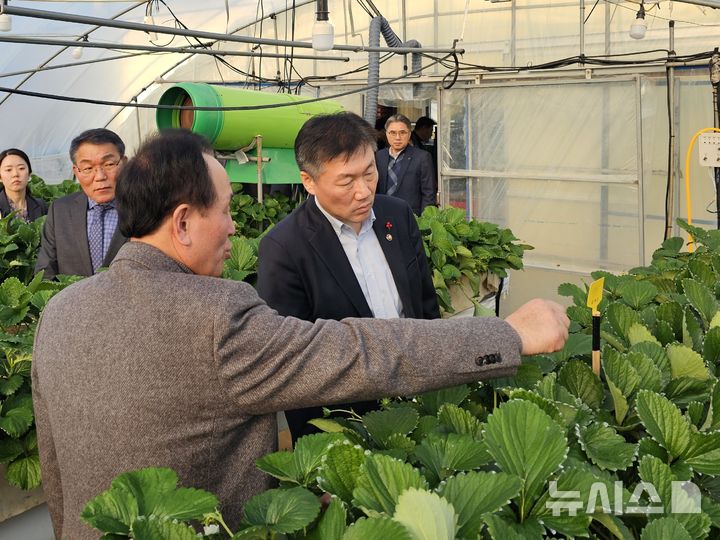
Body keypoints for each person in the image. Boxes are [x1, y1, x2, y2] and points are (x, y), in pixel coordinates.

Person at [32, 128, 569, 539]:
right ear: (182, 222)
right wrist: (506, 335)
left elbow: (53, 467)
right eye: (223, 210)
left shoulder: (60, 311)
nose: (235, 224)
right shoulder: (217, 317)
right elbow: (356, 352)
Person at [257, 112, 440, 442]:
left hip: (415, 399)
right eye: (346, 181)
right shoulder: (285, 247)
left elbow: (425, 307)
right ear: (309, 181)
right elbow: (293, 362)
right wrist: (321, 449)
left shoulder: (397, 216)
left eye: (369, 173)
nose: (363, 191)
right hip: (345, 420)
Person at [34, 128, 128, 280]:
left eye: (109, 164)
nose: (99, 176)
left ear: (124, 163)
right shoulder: (60, 210)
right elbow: (46, 270)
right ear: (76, 172)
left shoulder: (147, 207)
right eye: (88, 168)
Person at [376, 114, 436, 215]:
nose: (397, 137)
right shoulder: (379, 156)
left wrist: (423, 222)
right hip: (382, 214)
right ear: (386, 134)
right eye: (393, 133)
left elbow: (428, 194)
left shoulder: (422, 157)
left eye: (402, 132)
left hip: (410, 217)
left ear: (409, 134)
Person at [0, 148, 48, 221]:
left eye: (21, 168)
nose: (15, 174)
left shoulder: (41, 205)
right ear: (0, 177)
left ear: (29, 174)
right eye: (8, 170)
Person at [411, 116, 439, 195]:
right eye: (430, 130)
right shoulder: (412, 142)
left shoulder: (417, 141)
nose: (431, 135)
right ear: (423, 128)